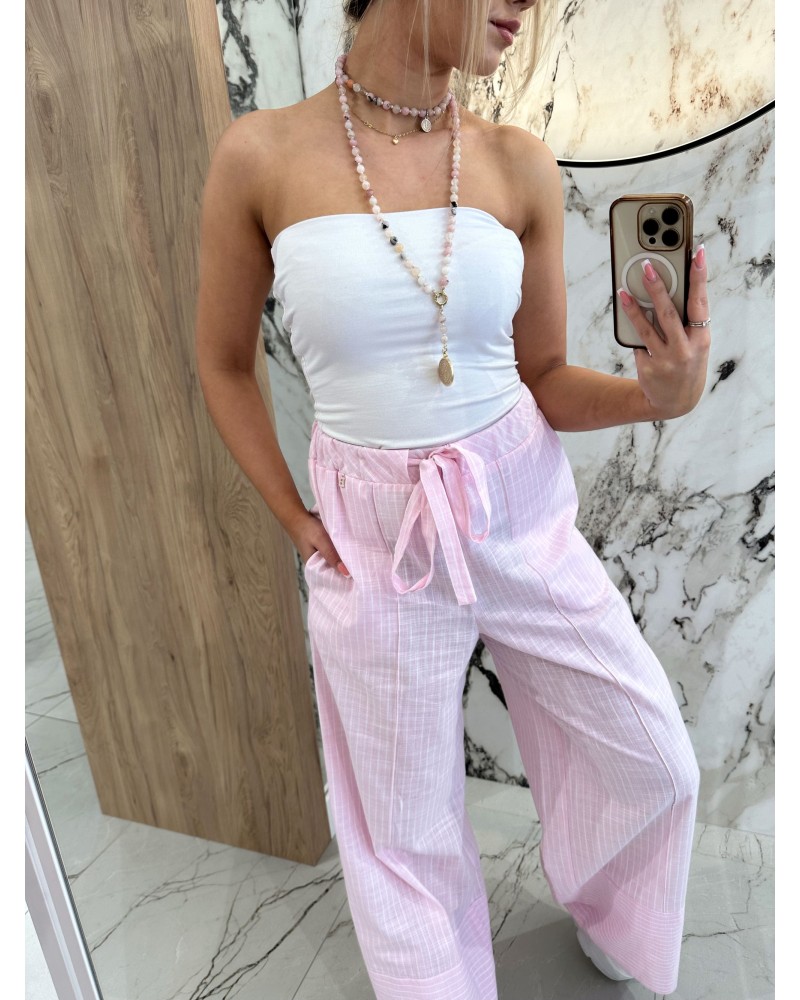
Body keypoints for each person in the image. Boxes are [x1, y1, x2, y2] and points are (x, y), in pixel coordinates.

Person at [194, 1, 712, 997]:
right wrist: (297, 519)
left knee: (655, 761)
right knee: (404, 828)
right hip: (373, 538)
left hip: (518, 507)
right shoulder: (260, 156)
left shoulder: (517, 162)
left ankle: (616, 911)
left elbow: (545, 375)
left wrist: (659, 397)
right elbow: (222, 362)